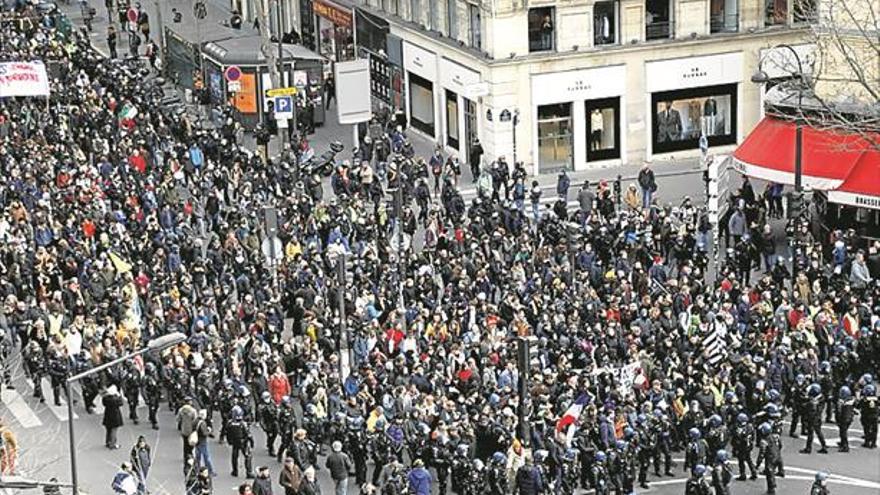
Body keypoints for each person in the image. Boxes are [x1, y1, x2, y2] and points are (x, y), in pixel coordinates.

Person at [102, 385, 125, 450]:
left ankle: (108, 442)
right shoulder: (116, 399)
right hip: (115, 416)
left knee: (108, 429)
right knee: (114, 430)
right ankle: (112, 444)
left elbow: (103, 403)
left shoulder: (106, 398)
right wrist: (119, 395)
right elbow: (121, 403)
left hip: (107, 415)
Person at [177, 397, 199, 462]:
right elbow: (195, 420)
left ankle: (185, 456)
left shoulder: (181, 410)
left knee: (185, 443)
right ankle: (190, 455)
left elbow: (178, 419)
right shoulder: (193, 410)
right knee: (191, 443)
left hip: (184, 429)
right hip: (191, 429)